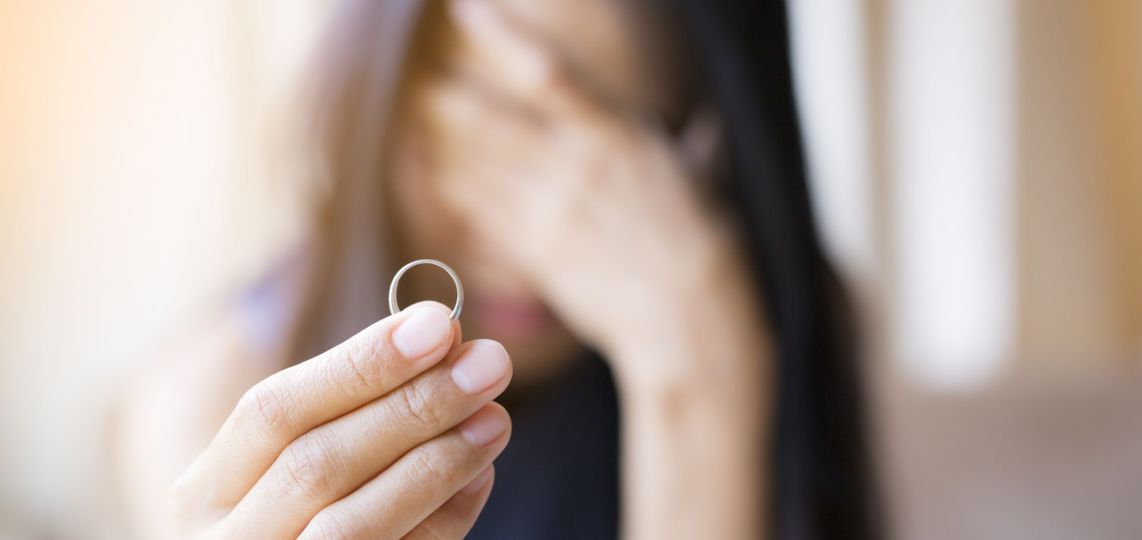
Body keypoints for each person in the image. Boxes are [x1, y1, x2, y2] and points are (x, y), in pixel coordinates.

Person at [115, 0, 882, 538]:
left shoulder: (776, 333)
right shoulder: (212, 397)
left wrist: (699, 381)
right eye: (489, 134)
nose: (529, 246)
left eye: (612, 163)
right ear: (377, 102)